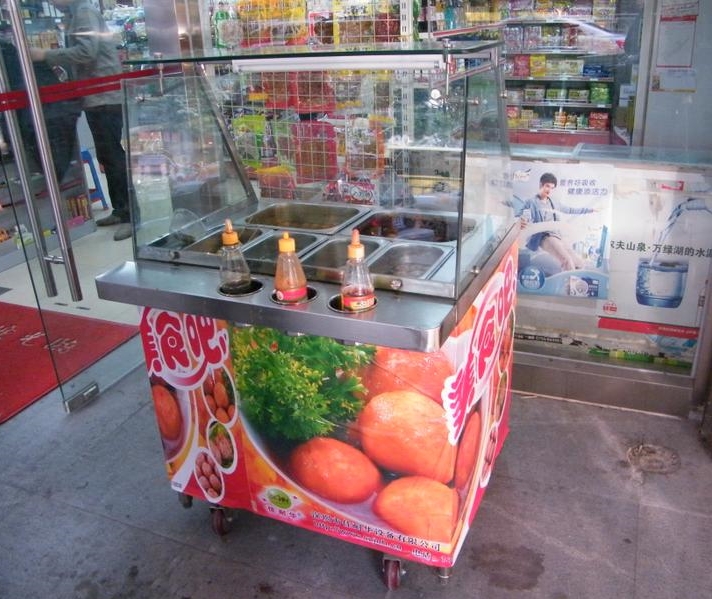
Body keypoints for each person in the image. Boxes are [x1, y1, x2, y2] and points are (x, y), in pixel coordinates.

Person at [30, 0, 132, 241]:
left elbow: (87, 52)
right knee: (107, 155)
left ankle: (131, 215)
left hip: (103, 95)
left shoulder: (84, 12)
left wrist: (45, 55)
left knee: (113, 156)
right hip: (96, 96)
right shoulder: (75, 14)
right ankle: (120, 209)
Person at [519, 172, 597, 272]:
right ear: (541, 185)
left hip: (557, 236)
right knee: (567, 260)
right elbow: (521, 216)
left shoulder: (554, 202)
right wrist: (522, 221)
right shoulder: (531, 202)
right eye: (547, 186)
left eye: (552, 188)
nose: (549, 190)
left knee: (579, 263)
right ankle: (570, 282)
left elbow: (570, 210)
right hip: (544, 237)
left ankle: (576, 281)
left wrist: (590, 210)